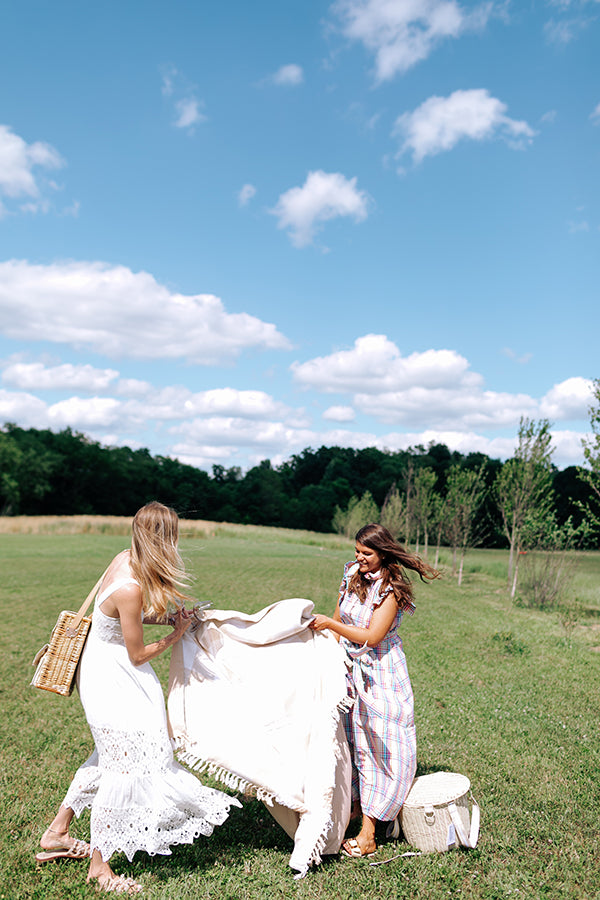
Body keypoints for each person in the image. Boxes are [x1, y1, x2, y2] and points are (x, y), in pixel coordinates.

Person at [36, 501, 240, 894]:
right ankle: (101, 868)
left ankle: (58, 832)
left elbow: (115, 619)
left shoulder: (123, 559)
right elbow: (137, 652)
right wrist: (176, 634)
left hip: (112, 671)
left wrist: (169, 619)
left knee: (111, 755)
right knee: (123, 767)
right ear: (165, 539)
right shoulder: (130, 587)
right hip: (116, 678)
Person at [309, 523, 439, 858]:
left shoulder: (391, 590)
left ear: (383, 553)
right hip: (350, 668)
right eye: (357, 551)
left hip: (381, 672)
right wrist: (326, 654)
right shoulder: (352, 574)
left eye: (366, 553)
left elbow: (373, 636)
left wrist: (330, 625)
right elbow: (340, 615)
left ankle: (370, 831)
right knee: (351, 741)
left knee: (382, 744)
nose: (359, 558)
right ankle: (352, 812)